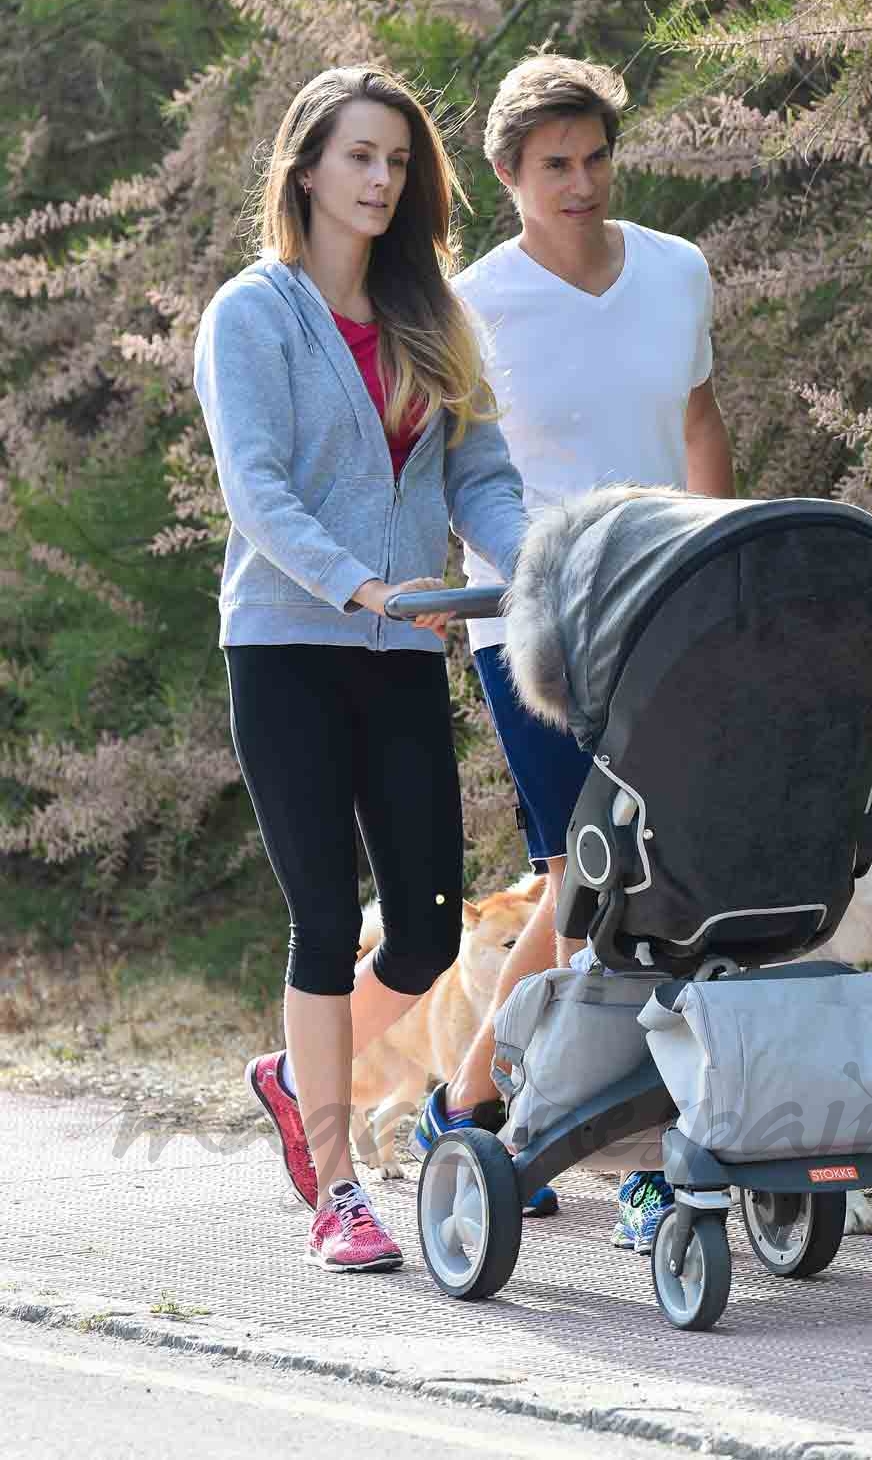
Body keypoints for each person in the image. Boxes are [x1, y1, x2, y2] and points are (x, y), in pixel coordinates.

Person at [193, 65, 528, 1273]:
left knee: (430, 931)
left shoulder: (434, 317)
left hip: (401, 650)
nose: (383, 180)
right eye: (361, 158)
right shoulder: (253, 314)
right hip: (287, 645)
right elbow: (259, 487)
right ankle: (336, 1184)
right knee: (325, 914)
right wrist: (358, 582)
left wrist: (539, 565)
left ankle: (296, 1073)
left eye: (399, 162)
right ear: (306, 169)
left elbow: (479, 481)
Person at [408, 52, 735, 1251]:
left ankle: (483, 1106)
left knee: (657, 880)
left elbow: (699, 419)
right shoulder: (472, 305)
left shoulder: (676, 270)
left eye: (597, 158)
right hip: (535, 627)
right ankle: (556, 1129)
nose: (583, 183)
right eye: (557, 166)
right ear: (507, 176)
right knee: (587, 880)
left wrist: (725, 571)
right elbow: (448, 465)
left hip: (670, 617)